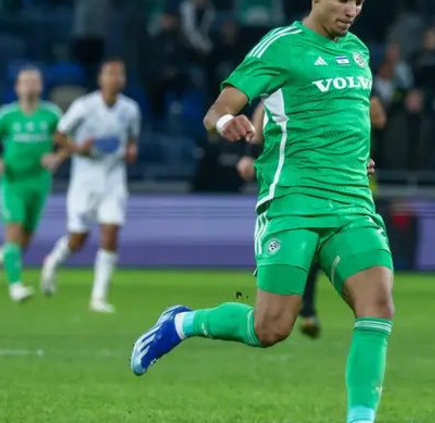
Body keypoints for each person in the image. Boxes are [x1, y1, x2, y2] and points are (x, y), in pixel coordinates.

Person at [131, 2, 396, 423]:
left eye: (360, 1)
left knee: (377, 305)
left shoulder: (358, 50)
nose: (352, 9)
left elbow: (347, 117)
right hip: (292, 202)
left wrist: (356, 157)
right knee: (270, 328)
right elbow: (217, 110)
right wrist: (226, 124)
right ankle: (181, 324)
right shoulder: (281, 46)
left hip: (352, 204)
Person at [237, 93, 387, 339]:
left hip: (350, 187)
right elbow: (260, 112)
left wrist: (357, 146)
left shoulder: (349, 86)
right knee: (305, 253)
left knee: (371, 294)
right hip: (295, 187)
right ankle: (301, 305)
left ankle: (308, 307)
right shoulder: (289, 87)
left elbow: (377, 117)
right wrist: (249, 153)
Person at [40, 59, 141, 313]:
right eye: (110, 73)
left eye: (120, 74)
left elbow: (132, 139)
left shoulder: (130, 109)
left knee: (111, 234)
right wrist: (78, 149)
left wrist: (131, 150)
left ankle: (98, 297)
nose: (115, 78)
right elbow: (59, 135)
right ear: (100, 78)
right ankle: (53, 261)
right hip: (85, 182)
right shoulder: (84, 107)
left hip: (113, 180)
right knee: (78, 239)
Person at [0, 67, 66, 302]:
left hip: (39, 182)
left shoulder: (51, 115)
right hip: (12, 181)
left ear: (41, 86)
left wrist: (56, 157)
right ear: (17, 87)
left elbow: (67, 143)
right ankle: (16, 286)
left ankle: (0, 255)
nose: (30, 85)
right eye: (25, 81)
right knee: (14, 229)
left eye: (34, 81)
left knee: (25, 238)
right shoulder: (6, 115)